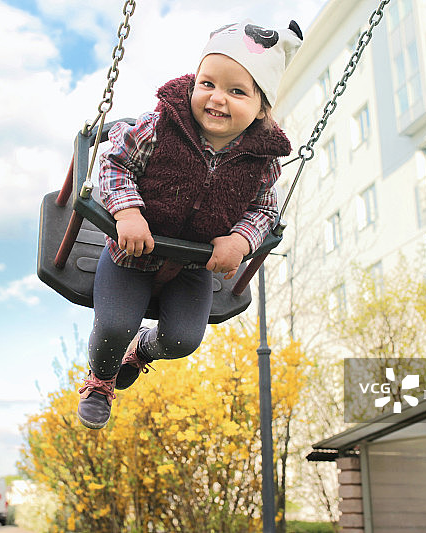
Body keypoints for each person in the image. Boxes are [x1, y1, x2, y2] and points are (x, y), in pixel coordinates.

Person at [77, 20, 303, 429]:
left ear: (261, 108)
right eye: (208, 84)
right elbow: (113, 162)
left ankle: (142, 351)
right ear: (194, 83)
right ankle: (101, 380)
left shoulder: (262, 161)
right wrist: (128, 212)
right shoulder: (161, 126)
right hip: (131, 251)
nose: (217, 98)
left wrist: (241, 239)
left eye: (237, 91)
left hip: (195, 265)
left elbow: (264, 211)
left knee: (183, 340)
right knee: (113, 326)